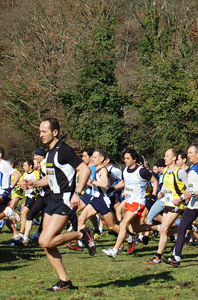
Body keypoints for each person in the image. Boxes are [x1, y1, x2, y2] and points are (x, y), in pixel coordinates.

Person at [22, 118, 93, 291]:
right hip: (53, 199)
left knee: (46, 240)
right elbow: (52, 178)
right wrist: (34, 183)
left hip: (65, 199)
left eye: (44, 131)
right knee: (45, 243)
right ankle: (65, 281)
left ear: (55, 132)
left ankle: (81, 235)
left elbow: (85, 170)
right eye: (40, 131)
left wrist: (77, 192)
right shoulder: (50, 153)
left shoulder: (64, 150)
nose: (41, 135)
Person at [102, 148, 158, 258]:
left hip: (138, 202)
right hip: (129, 202)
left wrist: (153, 195)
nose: (125, 161)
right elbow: (123, 183)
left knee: (123, 224)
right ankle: (160, 228)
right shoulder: (125, 171)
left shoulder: (141, 171)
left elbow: (155, 181)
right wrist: (113, 189)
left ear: (134, 159)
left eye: (128, 158)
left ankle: (115, 250)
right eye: (124, 158)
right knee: (137, 228)